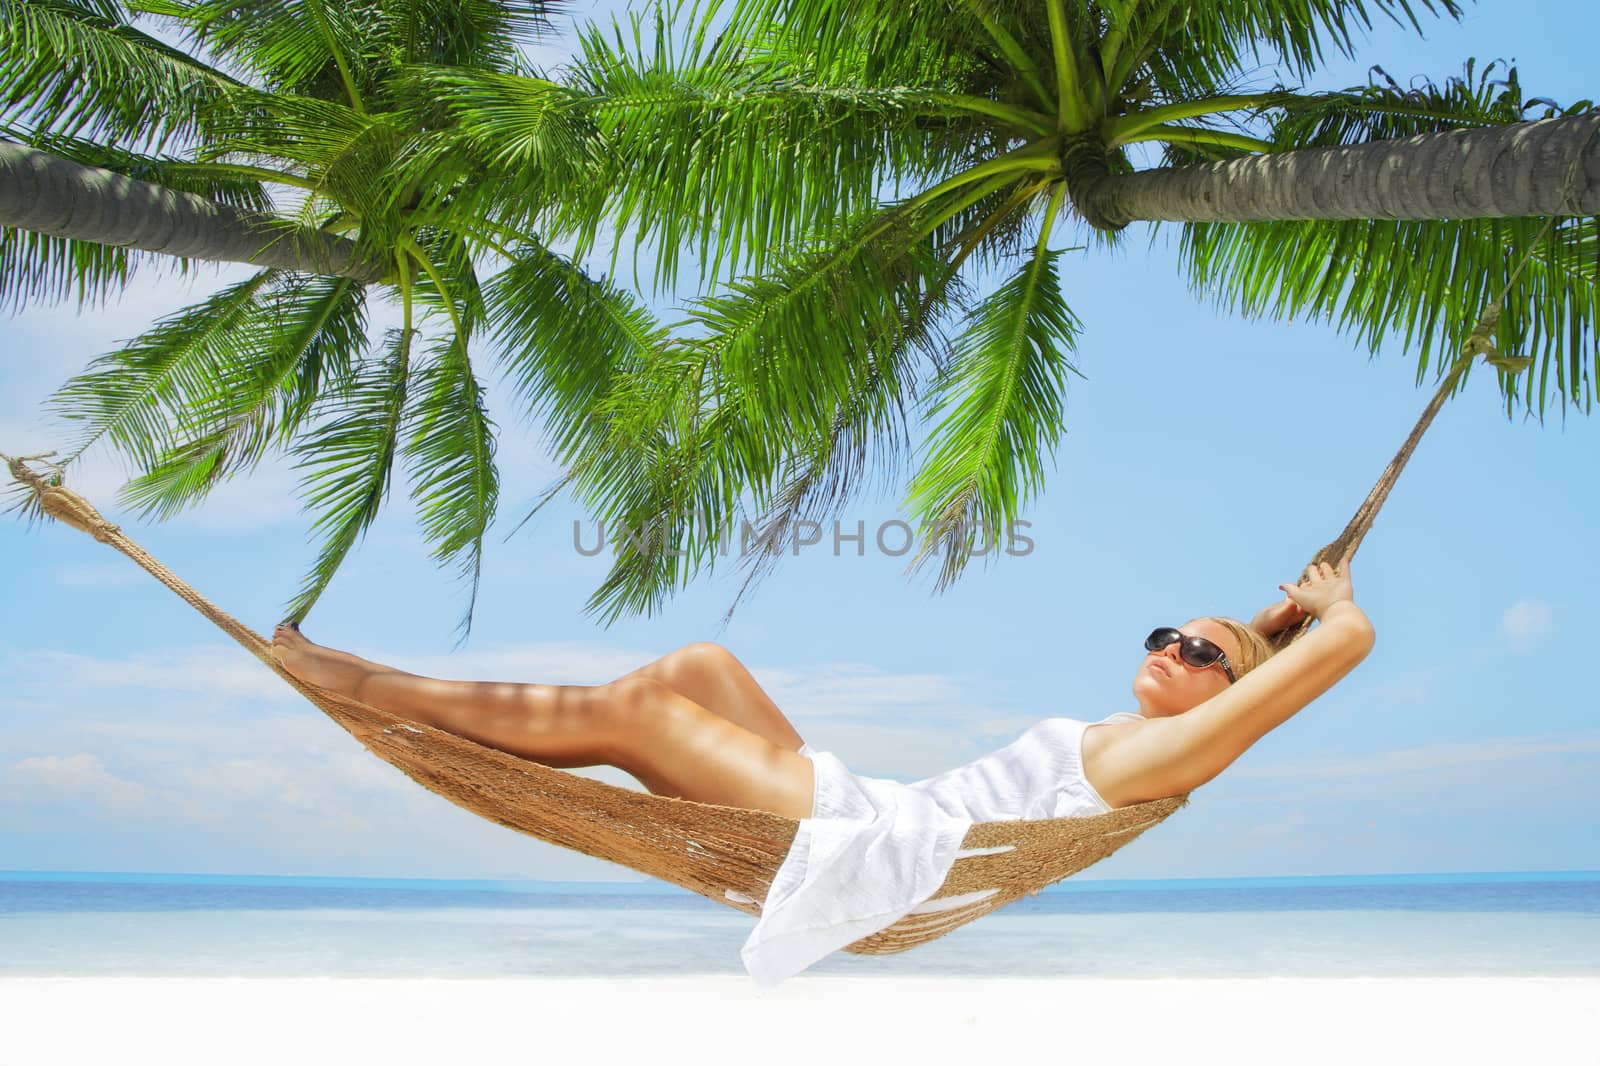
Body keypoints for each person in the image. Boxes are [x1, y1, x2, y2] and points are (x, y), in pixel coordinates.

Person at [269, 548, 1373, 985]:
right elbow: (1258, 651)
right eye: (1162, 633)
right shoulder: (1157, 729)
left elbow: (1339, 649)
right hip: (877, 805)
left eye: (1196, 653)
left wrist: (1331, 615)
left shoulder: (1182, 752)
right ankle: (393, 691)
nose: (1169, 652)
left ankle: (364, 685)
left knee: (640, 714)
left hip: (880, 846)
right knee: (703, 664)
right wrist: (1269, 616)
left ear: (1230, 697)